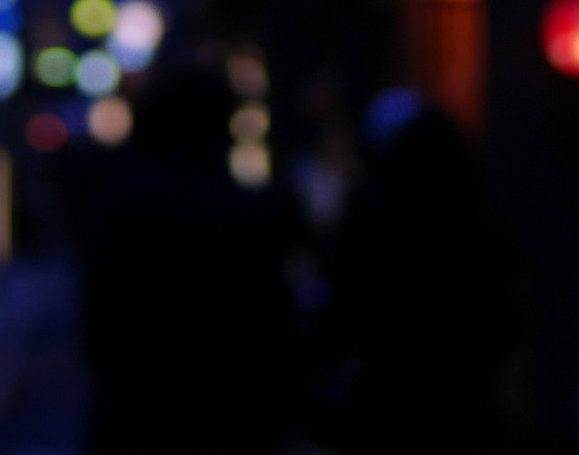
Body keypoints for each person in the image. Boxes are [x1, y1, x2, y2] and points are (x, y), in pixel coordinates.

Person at [70, 68, 297, 455]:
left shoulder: (125, 206)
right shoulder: (252, 211)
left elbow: (102, 327)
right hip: (232, 417)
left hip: (140, 411)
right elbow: (273, 325)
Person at [324, 90, 515, 454]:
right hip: (466, 404)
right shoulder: (480, 221)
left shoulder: (372, 215)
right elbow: (503, 322)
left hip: (389, 401)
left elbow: (345, 304)